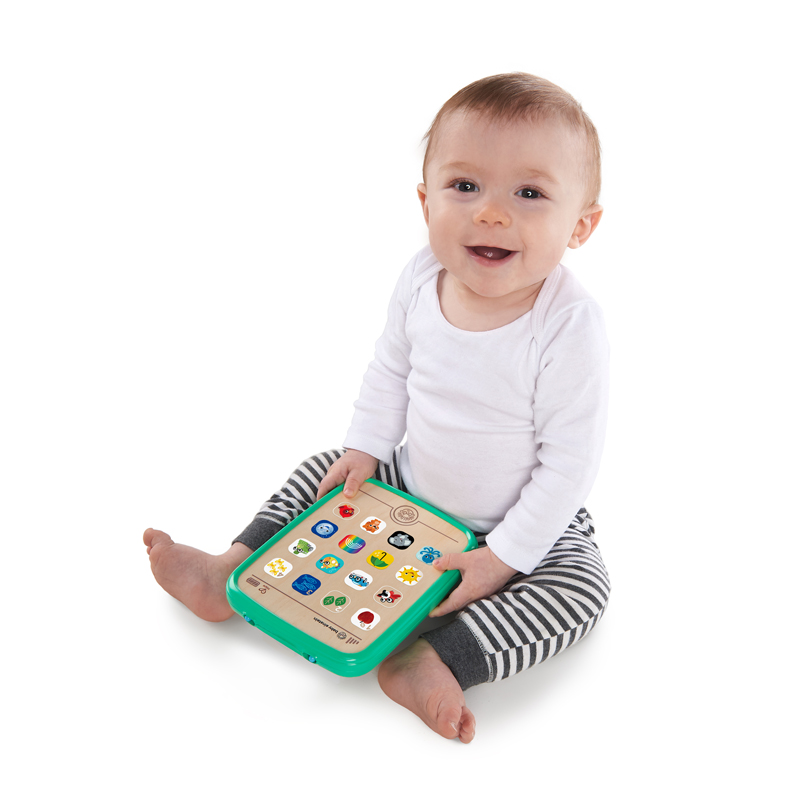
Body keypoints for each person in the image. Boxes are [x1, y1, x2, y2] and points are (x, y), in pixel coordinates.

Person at [144, 72, 611, 744]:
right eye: (465, 186)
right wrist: (365, 450)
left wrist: (504, 557)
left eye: (530, 194)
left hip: (522, 519)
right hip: (409, 486)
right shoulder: (422, 278)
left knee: (583, 587)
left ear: (581, 226)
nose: (490, 213)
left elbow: (570, 464)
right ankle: (232, 569)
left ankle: (436, 657)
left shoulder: (568, 326)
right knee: (326, 467)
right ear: (426, 201)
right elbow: (391, 371)